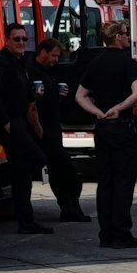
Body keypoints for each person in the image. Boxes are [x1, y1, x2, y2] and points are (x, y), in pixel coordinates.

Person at [75, 20, 137, 248]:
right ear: (117, 37)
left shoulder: (95, 63)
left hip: (102, 128)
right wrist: (118, 108)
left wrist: (98, 112)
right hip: (121, 126)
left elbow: (80, 96)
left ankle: (105, 234)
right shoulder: (128, 62)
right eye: (125, 34)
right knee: (124, 181)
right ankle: (122, 233)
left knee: (105, 181)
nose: (127, 38)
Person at [0, 25, 52, 235]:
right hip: (9, 123)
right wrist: (6, 123)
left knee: (22, 172)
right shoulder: (0, 63)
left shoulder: (20, 62)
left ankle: (26, 221)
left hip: (20, 121)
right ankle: (1, 184)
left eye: (24, 39)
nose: (21, 43)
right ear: (6, 40)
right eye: (16, 39)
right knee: (38, 159)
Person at [27, 36, 90, 222]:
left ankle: (70, 208)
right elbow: (31, 106)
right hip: (44, 129)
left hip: (53, 127)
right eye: (54, 56)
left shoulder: (48, 72)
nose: (56, 60)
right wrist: (39, 130)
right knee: (65, 170)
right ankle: (69, 207)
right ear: (43, 52)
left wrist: (60, 94)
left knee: (59, 172)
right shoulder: (32, 72)